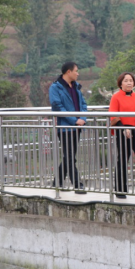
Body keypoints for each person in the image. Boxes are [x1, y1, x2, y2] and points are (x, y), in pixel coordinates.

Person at [49, 62, 88, 194]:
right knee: (70, 157)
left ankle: (57, 182)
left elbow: (83, 104)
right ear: (68, 72)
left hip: (77, 127)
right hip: (65, 128)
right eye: (76, 71)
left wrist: (83, 118)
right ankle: (77, 184)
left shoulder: (76, 86)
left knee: (69, 156)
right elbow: (57, 107)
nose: (78, 73)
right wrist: (74, 120)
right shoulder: (55, 87)